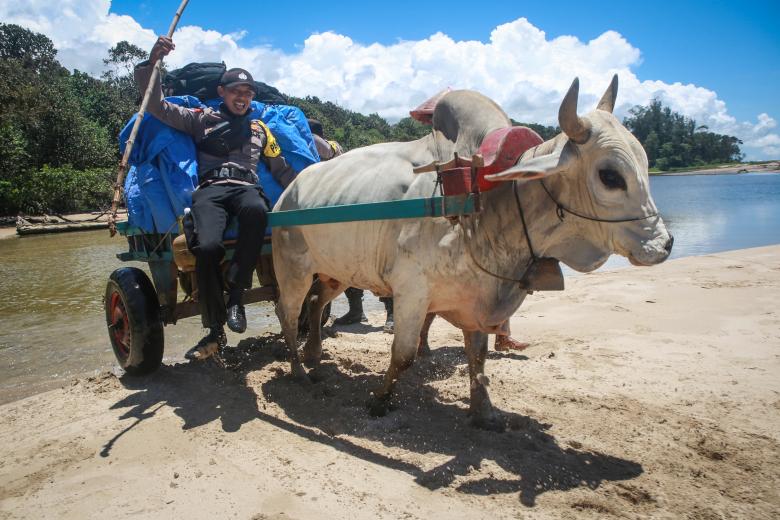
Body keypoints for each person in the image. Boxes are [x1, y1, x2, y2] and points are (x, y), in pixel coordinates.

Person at [136, 36, 296, 355]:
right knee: (206, 247)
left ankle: (236, 298)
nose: (242, 98)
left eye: (247, 93)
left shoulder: (261, 130)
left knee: (256, 211)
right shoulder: (199, 118)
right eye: (236, 92)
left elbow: (281, 169)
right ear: (221, 93)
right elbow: (154, 105)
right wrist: (152, 63)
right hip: (211, 191)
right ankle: (214, 328)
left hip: (247, 188)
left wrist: (312, 190)